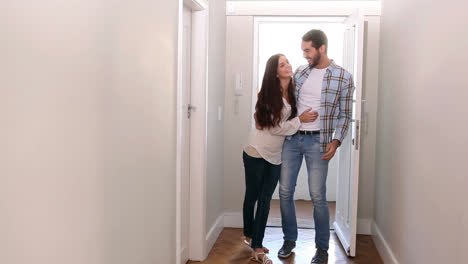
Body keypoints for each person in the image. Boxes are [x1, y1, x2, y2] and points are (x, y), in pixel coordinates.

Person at [277, 30, 355, 264]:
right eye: (302, 50)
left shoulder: (343, 77)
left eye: (308, 50)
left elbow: (345, 114)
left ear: (322, 48)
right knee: (284, 191)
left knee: (318, 196)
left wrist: (336, 140)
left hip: (318, 141)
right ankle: (289, 239)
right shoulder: (300, 72)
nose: (304, 55)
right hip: (292, 139)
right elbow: (284, 97)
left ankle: (322, 248)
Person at [242, 54, 316, 264]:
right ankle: (252, 239)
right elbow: (271, 127)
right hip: (256, 151)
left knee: (266, 200)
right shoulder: (266, 94)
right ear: (275, 72)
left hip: (275, 155)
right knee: (252, 197)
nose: (288, 66)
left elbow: (279, 127)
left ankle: (256, 241)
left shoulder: (293, 92)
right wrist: (299, 121)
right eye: (282, 65)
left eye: (288, 62)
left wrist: (297, 122)